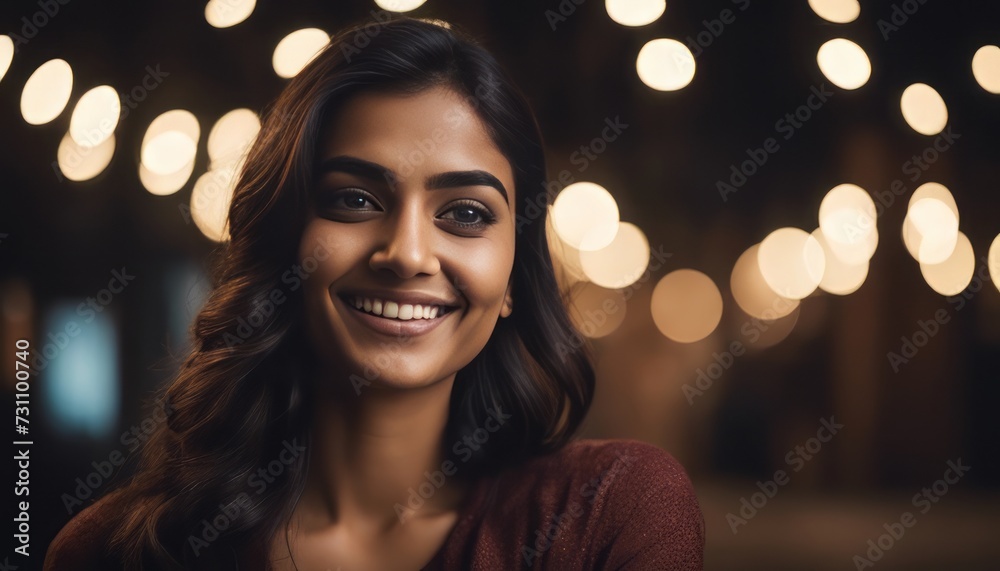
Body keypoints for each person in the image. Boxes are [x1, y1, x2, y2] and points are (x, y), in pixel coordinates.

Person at [43, 16, 704, 571]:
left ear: (512, 278)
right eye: (355, 199)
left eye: (466, 214)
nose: (408, 254)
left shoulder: (611, 513)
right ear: (285, 240)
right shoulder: (113, 549)